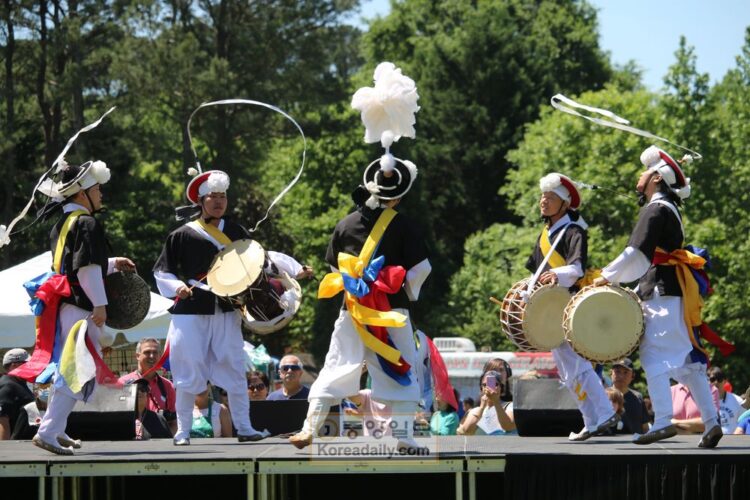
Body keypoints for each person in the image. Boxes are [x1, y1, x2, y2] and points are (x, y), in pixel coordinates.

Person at [290, 62, 430, 452]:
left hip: (353, 310)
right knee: (401, 370)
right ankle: (402, 440)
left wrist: (359, 287)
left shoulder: (345, 222)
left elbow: (335, 268)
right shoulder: (406, 225)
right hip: (391, 312)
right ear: (400, 193)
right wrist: (404, 292)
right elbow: (421, 270)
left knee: (337, 364)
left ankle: (310, 429)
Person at [153, 170, 308, 445]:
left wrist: (294, 269)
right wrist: (178, 288)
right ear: (201, 201)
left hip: (227, 309)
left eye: (223, 196)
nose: (219, 201)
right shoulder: (181, 235)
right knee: (188, 369)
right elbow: (162, 271)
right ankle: (183, 431)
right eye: (213, 196)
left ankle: (245, 428)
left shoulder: (235, 231)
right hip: (191, 311)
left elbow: (261, 257)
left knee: (236, 369)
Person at [597, 145, 722, 447]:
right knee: (686, 364)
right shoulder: (670, 208)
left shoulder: (655, 208)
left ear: (655, 176)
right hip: (672, 290)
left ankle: (664, 421)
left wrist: (606, 275)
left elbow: (635, 253)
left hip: (661, 292)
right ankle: (711, 422)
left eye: (643, 172)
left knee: (652, 354)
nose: (638, 178)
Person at [31, 160, 136, 455]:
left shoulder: (63, 223)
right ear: (81, 194)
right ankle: (49, 430)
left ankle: (57, 428)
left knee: (72, 369)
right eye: (97, 189)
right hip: (81, 306)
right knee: (77, 370)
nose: (101, 194)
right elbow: (86, 268)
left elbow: (71, 265)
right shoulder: (87, 223)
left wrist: (113, 263)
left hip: (65, 305)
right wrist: (101, 305)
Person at [526, 173, 619, 441]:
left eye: (551, 197)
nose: (544, 201)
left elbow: (577, 268)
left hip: (568, 304)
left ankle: (604, 412)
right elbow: (535, 271)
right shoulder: (545, 234)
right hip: (549, 307)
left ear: (565, 204)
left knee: (577, 364)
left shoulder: (574, 231)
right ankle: (590, 419)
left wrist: (557, 275)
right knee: (567, 372)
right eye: (543, 196)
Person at [118, 338, 177, 435]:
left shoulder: (167, 386)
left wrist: (166, 441)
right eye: (147, 352)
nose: (152, 356)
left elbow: (174, 422)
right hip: (130, 442)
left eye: (155, 352)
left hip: (160, 445)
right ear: (137, 356)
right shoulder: (122, 383)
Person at [457, 359, 516, 436]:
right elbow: (466, 432)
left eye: (501, 370)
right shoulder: (476, 410)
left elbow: (508, 426)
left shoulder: (511, 406)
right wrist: (482, 407)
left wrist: (496, 401)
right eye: (493, 371)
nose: (497, 374)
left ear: (507, 374)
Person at [0, 349, 34, 440]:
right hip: (16, 448)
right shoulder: (7, 386)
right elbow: (2, 422)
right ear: (14, 366)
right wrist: (6, 451)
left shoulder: (20, 384)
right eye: (27, 364)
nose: (31, 367)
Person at [610, 358, 649, 434]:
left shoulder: (638, 398)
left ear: (633, 376)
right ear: (611, 373)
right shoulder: (602, 397)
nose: (621, 376)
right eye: (617, 372)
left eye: (625, 372)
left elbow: (645, 428)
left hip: (635, 444)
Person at [707, 366, 744, 435]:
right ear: (707, 381)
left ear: (725, 381)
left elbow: (745, 422)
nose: (716, 382)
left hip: (733, 442)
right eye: (712, 379)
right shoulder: (703, 402)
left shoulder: (737, 400)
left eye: (719, 379)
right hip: (711, 443)